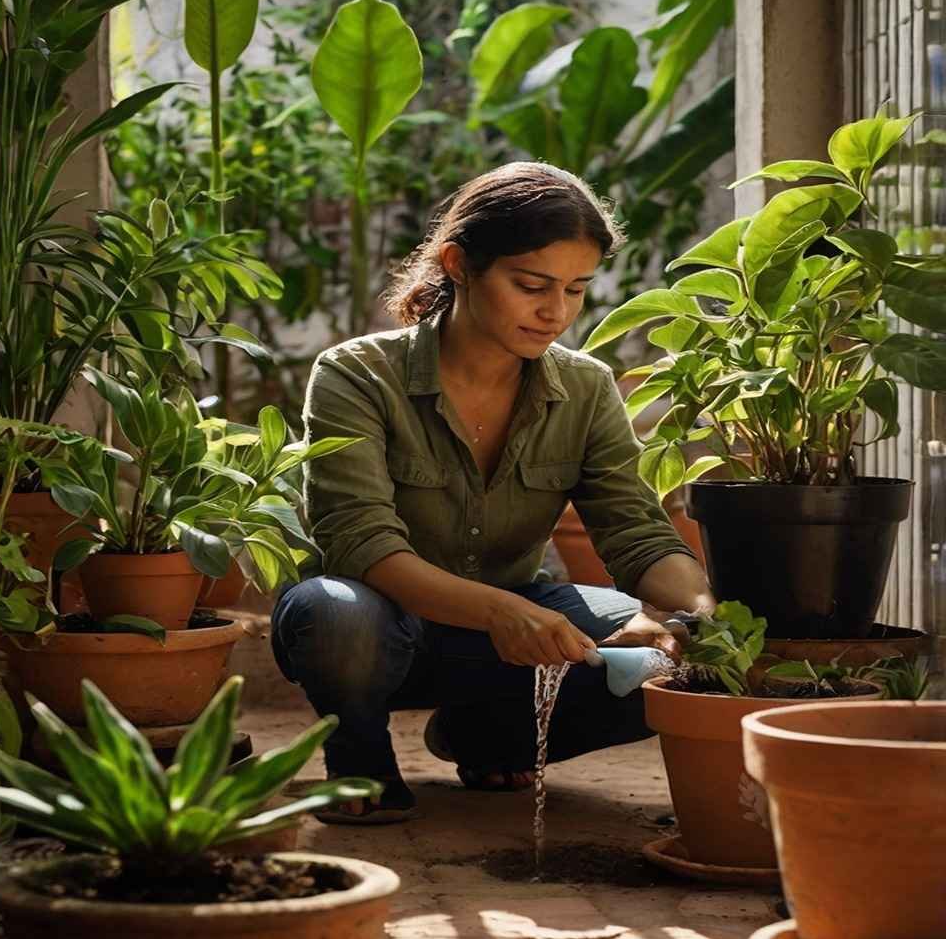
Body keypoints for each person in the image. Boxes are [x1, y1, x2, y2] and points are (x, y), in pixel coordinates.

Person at [272, 161, 716, 823]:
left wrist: (706, 617)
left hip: (512, 620)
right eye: (531, 285)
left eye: (575, 289)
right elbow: (360, 543)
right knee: (333, 614)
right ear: (458, 264)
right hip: (382, 625)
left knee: (668, 668)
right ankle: (359, 763)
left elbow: (635, 529)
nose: (555, 312)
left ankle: (487, 737)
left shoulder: (587, 387)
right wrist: (500, 613)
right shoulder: (357, 374)